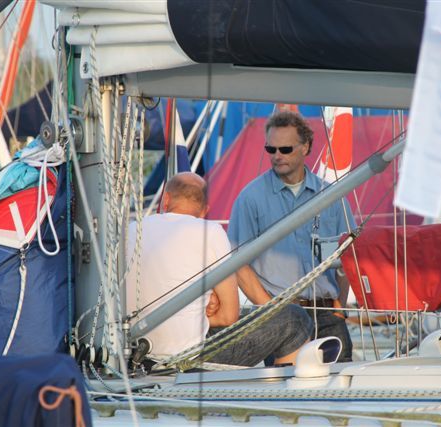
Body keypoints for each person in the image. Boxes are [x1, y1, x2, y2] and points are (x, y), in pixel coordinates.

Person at [126, 172, 312, 367]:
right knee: (295, 319)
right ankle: (282, 385)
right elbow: (228, 316)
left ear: (166, 200)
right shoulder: (210, 232)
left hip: (136, 354)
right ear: (205, 211)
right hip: (187, 358)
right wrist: (205, 313)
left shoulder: (132, 230)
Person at [228, 110, 355, 362]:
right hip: (281, 318)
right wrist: (269, 310)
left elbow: (348, 253)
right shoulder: (250, 198)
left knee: (340, 385)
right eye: (271, 149)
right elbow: (237, 262)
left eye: (285, 149)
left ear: (305, 147)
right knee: (285, 387)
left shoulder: (332, 195)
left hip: (329, 315)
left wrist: (340, 304)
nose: (277, 156)